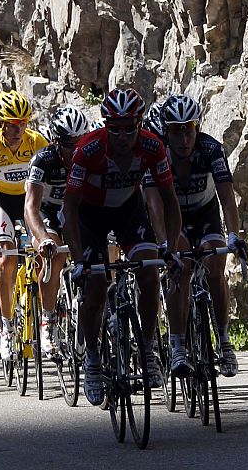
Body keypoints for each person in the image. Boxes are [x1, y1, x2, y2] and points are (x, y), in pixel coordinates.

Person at [63, 87, 182, 406]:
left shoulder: (152, 146)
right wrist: (78, 261)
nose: (122, 135)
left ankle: (147, 347)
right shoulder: (87, 150)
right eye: (114, 127)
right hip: (90, 216)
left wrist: (169, 247)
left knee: (149, 271)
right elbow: (70, 209)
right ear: (105, 125)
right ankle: (92, 360)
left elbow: (169, 201)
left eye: (130, 127)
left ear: (140, 123)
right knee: (96, 288)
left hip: (129, 211)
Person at [155, 93, 247, 378]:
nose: (183, 138)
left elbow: (227, 199)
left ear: (197, 127)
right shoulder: (158, 154)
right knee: (180, 269)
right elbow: (154, 206)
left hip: (204, 213)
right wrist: (163, 244)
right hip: (174, 219)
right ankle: (179, 345)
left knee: (215, 267)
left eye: (189, 129)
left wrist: (234, 235)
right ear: (165, 131)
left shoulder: (211, 149)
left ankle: (224, 340)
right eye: (175, 130)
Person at [0, 91, 48, 361]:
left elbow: (50, 187)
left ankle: (45, 320)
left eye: (23, 122)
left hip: (30, 200)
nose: (17, 129)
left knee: (43, 250)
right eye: (11, 123)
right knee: (6, 257)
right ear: (0, 123)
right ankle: (6, 328)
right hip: (1, 201)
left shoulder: (38, 142)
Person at [24, 105, 90, 357]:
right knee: (55, 254)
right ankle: (48, 320)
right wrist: (41, 239)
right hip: (47, 211)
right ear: (56, 141)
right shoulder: (42, 160)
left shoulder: (89, 155)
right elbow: (30, 206)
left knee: (104, 251)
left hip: (77, 210)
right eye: (68, 145)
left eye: (79, 143)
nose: (75, 151)